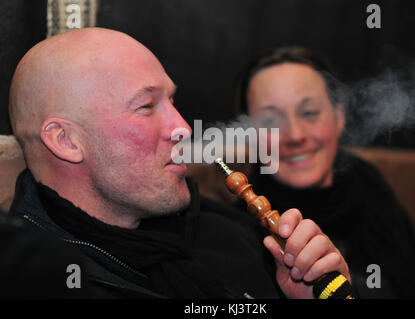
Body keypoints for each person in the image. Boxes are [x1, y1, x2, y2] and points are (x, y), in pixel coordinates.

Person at [7, 28, 350, 299]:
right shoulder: (35, 278)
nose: (184, 128)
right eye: (145, 106)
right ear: (66, 141)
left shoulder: (225, 230)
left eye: (171, 99)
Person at [235, 46, 415, 298]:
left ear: (339, 117)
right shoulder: (236, 229)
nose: (295, 135)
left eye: (309, 113)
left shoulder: (372, 191)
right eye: (271, 121)